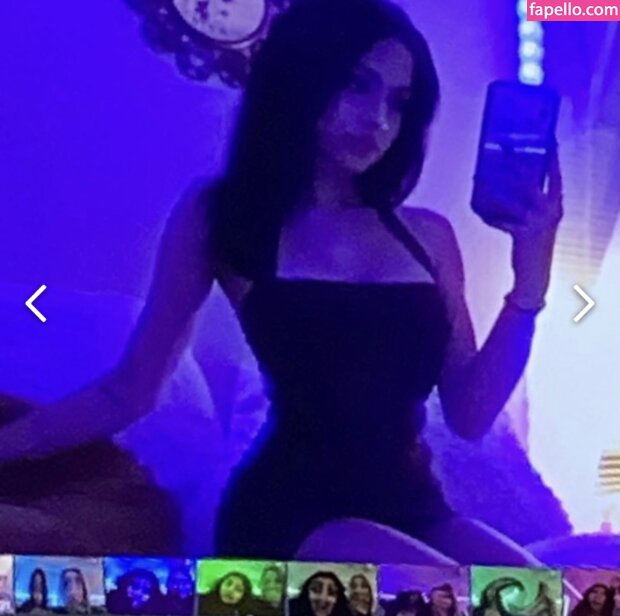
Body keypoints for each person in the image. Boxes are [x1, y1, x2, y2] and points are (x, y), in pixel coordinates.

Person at [0, 0, 563, 561]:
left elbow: (470, 414)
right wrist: (10, 444)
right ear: (302, 78)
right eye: (357, 85)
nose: (378, 120)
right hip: (294, 514)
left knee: (543, 594)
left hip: (415, 505)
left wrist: (530, 278)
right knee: (442, 590)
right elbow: (129, 391)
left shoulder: (428, 236)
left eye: (398, 101)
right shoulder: (226, 215)